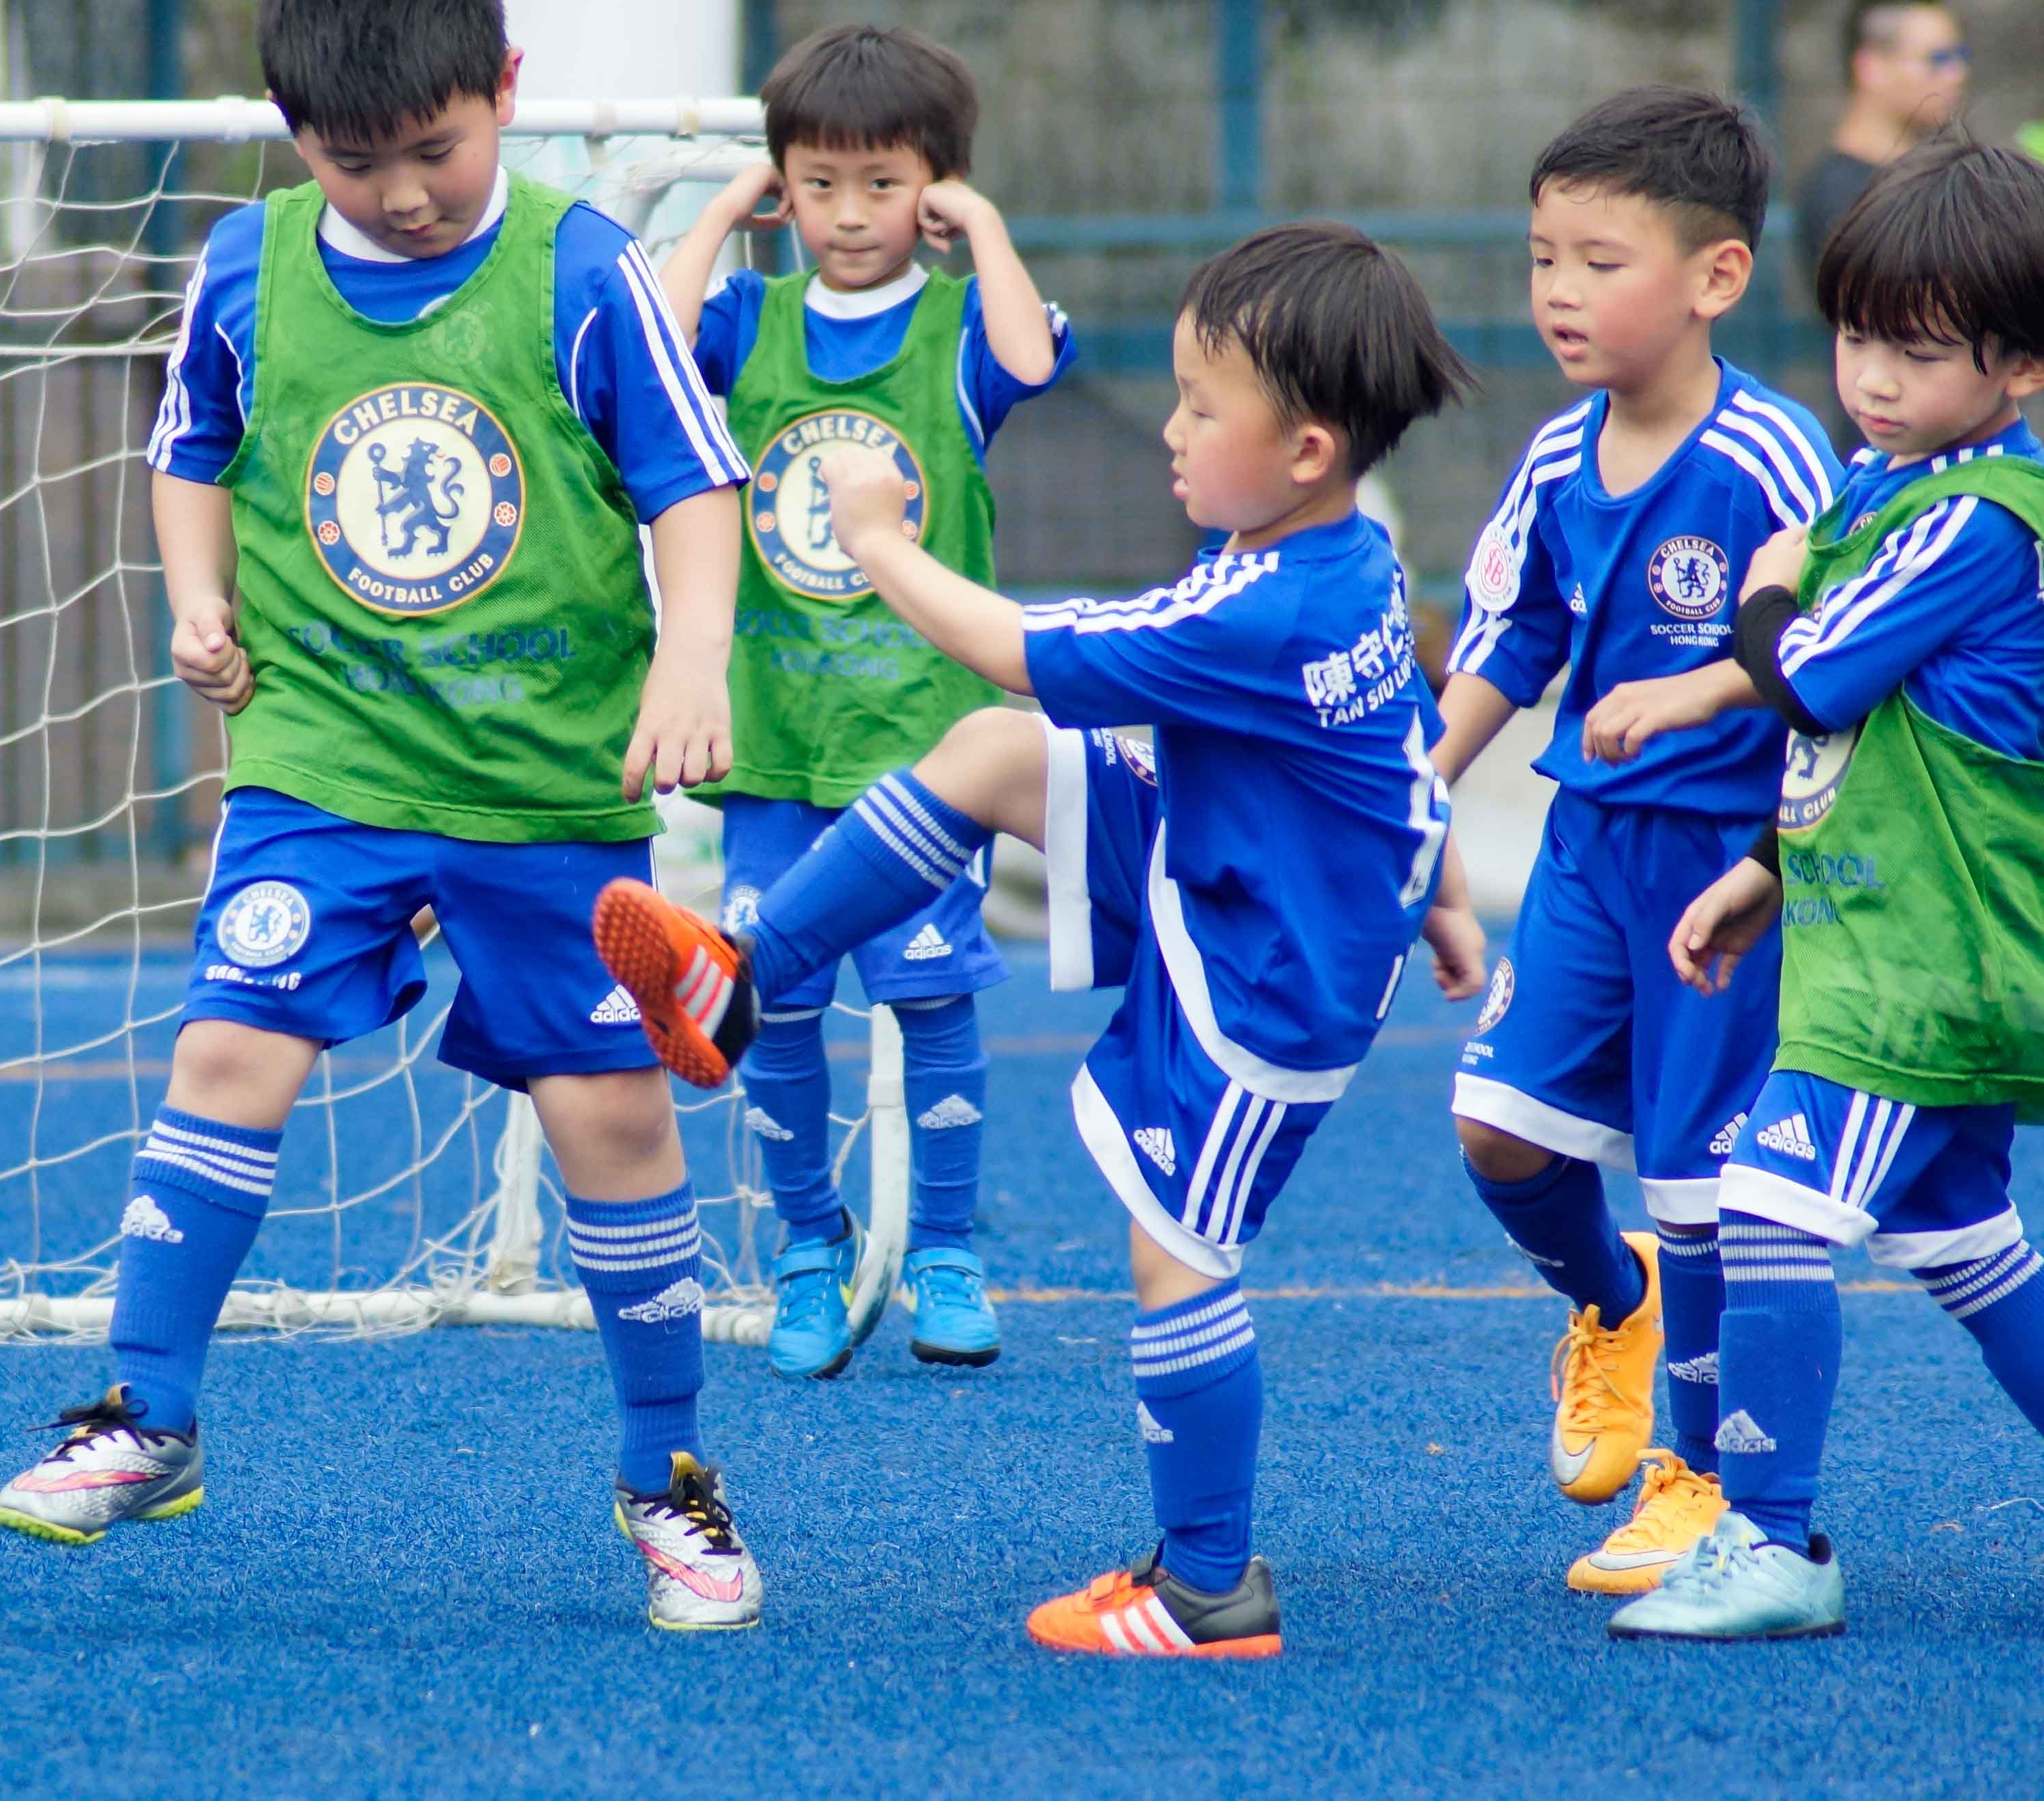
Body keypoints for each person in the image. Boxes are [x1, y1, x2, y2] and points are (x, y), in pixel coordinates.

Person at [0, 0, 766, 1633]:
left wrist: (693, 654)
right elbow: (189, 447)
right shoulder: (244, 266)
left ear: (504, 88)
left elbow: (689, 487)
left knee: (613, 1115)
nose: (403, 192)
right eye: (356, 162)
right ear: (291, 136)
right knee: (226, 1039)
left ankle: (667, 1476)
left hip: (540, 784)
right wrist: (196, 601)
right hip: (318, 759)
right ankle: (145, 1411)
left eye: (435, 148)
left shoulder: (577, 270)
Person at [595, 223, 1486, 1658]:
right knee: (992, 757)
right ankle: (745, 979)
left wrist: (877, 537)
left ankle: (1211, 1588)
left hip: (1270, 978)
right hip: (1235, 861)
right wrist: (1436, 876)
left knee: (1174, 1254)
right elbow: (1385, 755)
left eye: (1202, 405)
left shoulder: (1260, 603)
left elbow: (1021, 644)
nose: (1170, 428)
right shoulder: (1340, 558)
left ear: (1307, 448)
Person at [1588, 134, 2044, 1640]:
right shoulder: (1891, 480)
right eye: (1855, 337)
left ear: (2021, 369)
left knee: (1765, 1199)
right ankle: (1762, 1534)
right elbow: (1876, 750)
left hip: (1922, 966)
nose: (1867, 377)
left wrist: (1766, 579)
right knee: (1967, 1253)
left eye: (1914, 352)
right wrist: (1759, 875)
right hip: (1878, 938)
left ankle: (1768, 1538)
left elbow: (1815, 675)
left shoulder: (1978, 516)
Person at [1438, 87, 1839, 1597]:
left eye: (1597, 261)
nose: (1555, 291)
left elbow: (1830, 641)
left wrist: (1689, 692)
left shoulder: (1771, 457)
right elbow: (1507, 629)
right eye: (1542, 257)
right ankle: (1611, 1308)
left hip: (1722, 871)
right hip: (1581, 853)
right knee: (1494, 1132)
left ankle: (1691, 1483)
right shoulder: (1553, 457)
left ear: (1714, 278)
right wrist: (1419, 784)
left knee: (1697, 1181)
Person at [652, 23, 1072, 1377]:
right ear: (785, 185)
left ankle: (944, 1248)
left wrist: (984, 225)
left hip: (921, 750)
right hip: (774, 745)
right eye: (817, 183)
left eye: (882, 184)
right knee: (769, 995)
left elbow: (1032, 357)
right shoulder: (750, 320)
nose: (846, 215)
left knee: (929, 995)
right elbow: (651, 357)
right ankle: (805, 1248)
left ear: (931, 192)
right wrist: (720, 212)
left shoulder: (954, 329)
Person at [1795, 0, 1969, 273]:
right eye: (1938, 59)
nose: (1957, 74)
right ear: (1871, 67)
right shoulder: (1842, 195)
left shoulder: (1936, 173)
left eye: (1960, 56)